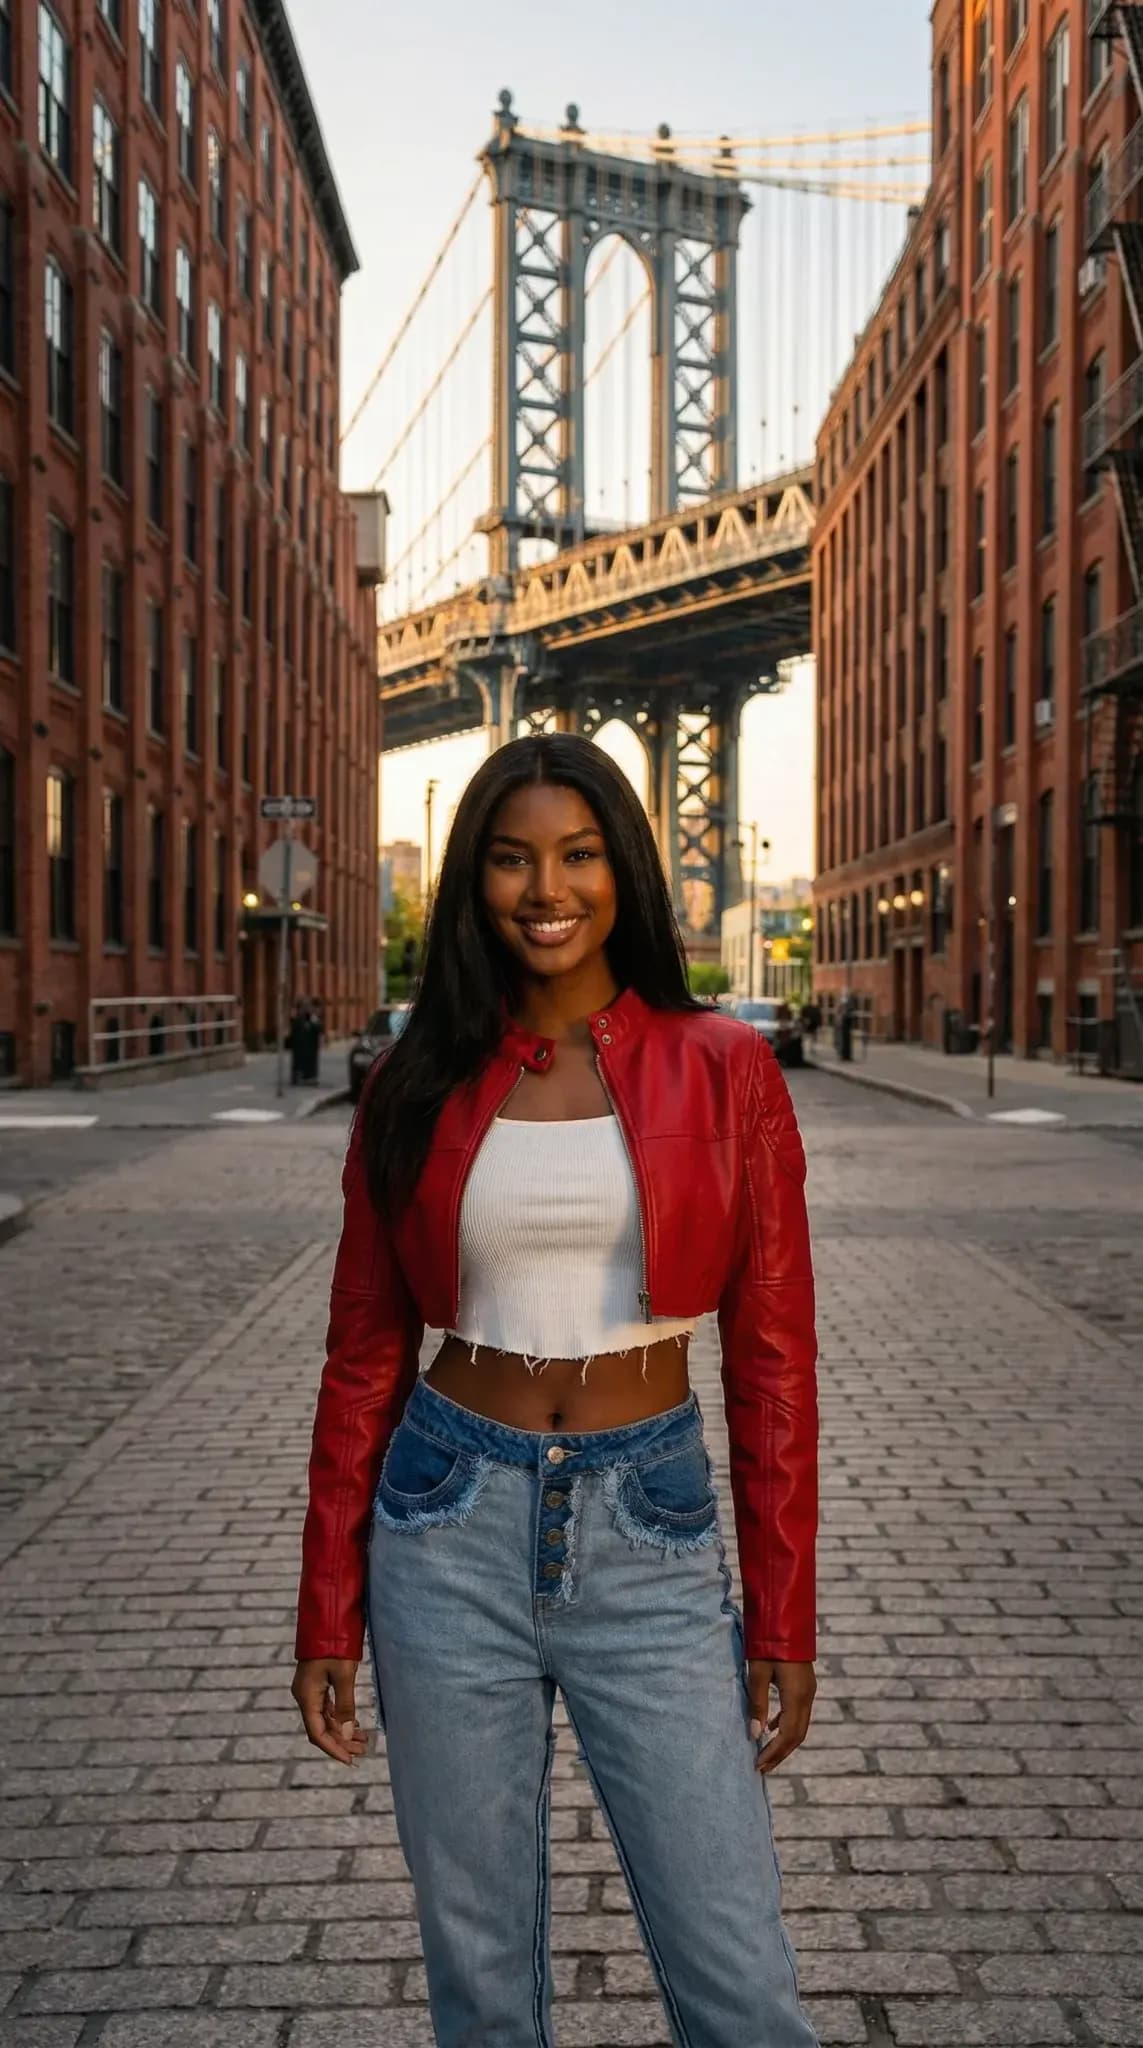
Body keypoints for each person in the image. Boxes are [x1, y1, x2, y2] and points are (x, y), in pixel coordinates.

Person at [292, 734, 820, 2048]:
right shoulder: (413, 1082)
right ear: (475, 883)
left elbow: (771, 1360)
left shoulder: (722, 1067)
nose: (548, 887)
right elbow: (363, 1353)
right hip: (444, 1521)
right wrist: (326, 1608)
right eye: (513, 857)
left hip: (651, 1526)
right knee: (481, 1981)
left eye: (578, 854)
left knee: (738, 1982)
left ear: (621, 871)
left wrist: (785, 1615)